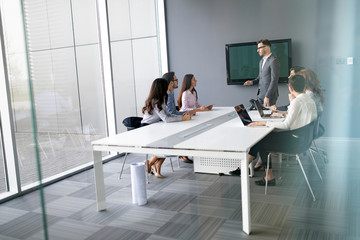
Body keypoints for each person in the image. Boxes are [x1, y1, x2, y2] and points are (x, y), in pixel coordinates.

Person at [229, 75, 317, 186]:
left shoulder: (297, 102)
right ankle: (244, 168)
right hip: (303, 138)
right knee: (263, 139)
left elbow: (286, 125)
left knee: (262, 141)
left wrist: (264, 122)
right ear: (304, 86)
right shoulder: (309, 99)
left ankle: (263, 175)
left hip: (295, 141)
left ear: (290, 88)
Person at [141, 78, 191, 178]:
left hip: (156, 126)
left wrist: (182, 117)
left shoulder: (162, 98)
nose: (168, 86)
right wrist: (182, 118)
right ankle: (152, 163)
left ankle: (154, 164)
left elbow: (168, 115)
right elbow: (166, 119)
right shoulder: (155, 101)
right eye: (166, 85)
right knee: (168, 143)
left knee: (170, 141)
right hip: (147, 129)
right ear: (162, 88)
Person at [162, 71, 195, 163]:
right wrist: (183, 116)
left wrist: (186, 113)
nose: (178, 82)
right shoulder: (167, 94)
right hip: (164, 123)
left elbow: (173, 111)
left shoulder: (171, 92)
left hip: (168, 120)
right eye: (176, 80)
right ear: (171, 82)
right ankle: (151, 164)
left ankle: (183, 153)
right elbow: (170, 112)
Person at [243, 39, 280, 108]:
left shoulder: (274, 61)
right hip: (260, 95)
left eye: (259, 48)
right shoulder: (261, 61)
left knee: (269, 116)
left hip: (269, 96)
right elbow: (260, 77)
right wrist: (252, 82)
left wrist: (267, 96)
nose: (257, 50)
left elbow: (274, 80)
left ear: (266, 47)